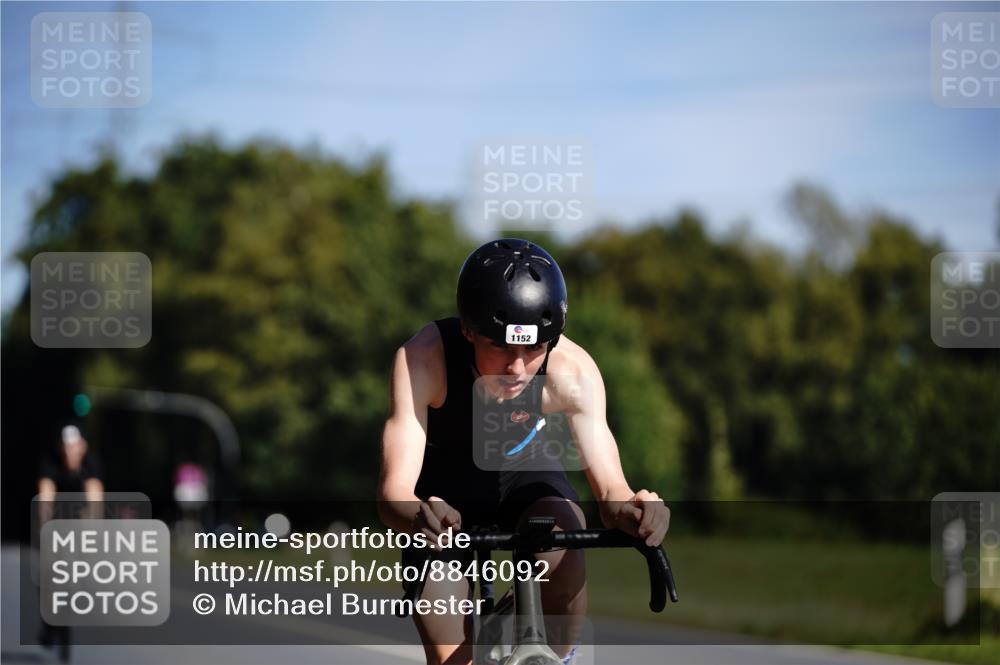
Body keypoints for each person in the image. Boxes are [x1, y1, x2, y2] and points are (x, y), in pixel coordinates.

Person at [378, 238, 671, 665]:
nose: (517, 368)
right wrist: (417, 513)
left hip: (525, 471)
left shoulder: (573, 370)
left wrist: (637, 511)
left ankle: (558, 656)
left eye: (533, 349)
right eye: (499, 347)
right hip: (442, 496)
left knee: (565, 537)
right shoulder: (422, 360)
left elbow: (612, 495)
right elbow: (392, 496)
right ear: (468, 330)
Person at [36, 425, 104, 663]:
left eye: (75, 447)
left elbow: (95, 497)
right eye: (67, 447)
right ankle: (48, 623)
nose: (71, 452)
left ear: (83, 446)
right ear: (60, 448)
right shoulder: (51, 463)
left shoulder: (90, 464)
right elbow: (45, 497)